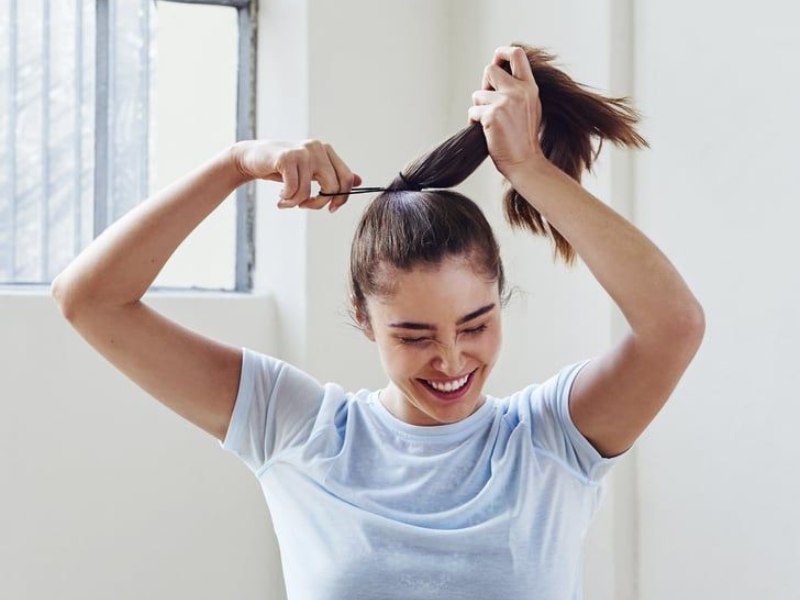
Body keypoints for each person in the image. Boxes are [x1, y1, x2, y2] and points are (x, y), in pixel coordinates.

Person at [52, 43, 705, 599]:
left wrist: (529, 170)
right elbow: (90, 298)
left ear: (500, 300)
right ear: (365, 320)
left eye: (474, 324)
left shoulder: (549, 443)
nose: (450, 360)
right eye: (414, 335)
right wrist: (237, 164)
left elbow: (674, 325)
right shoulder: (298, 429)